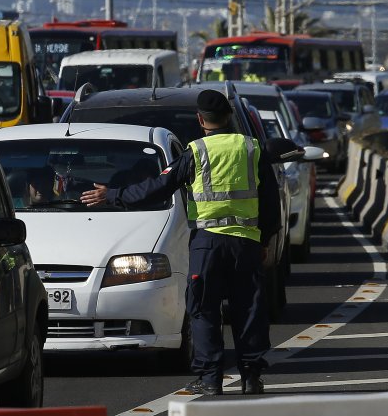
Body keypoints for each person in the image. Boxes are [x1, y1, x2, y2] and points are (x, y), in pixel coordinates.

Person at [80, 89, 281, 396]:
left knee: (203, 310)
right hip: (246, 244)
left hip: (207, 244)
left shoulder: (195, 152)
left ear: (201, 120)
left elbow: (159, 186)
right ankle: (251, 377)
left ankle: (211, 379)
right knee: (249, 310)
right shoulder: (252, 148)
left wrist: (113, 195)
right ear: (230, 116)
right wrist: (264, 239)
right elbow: (270, 203)